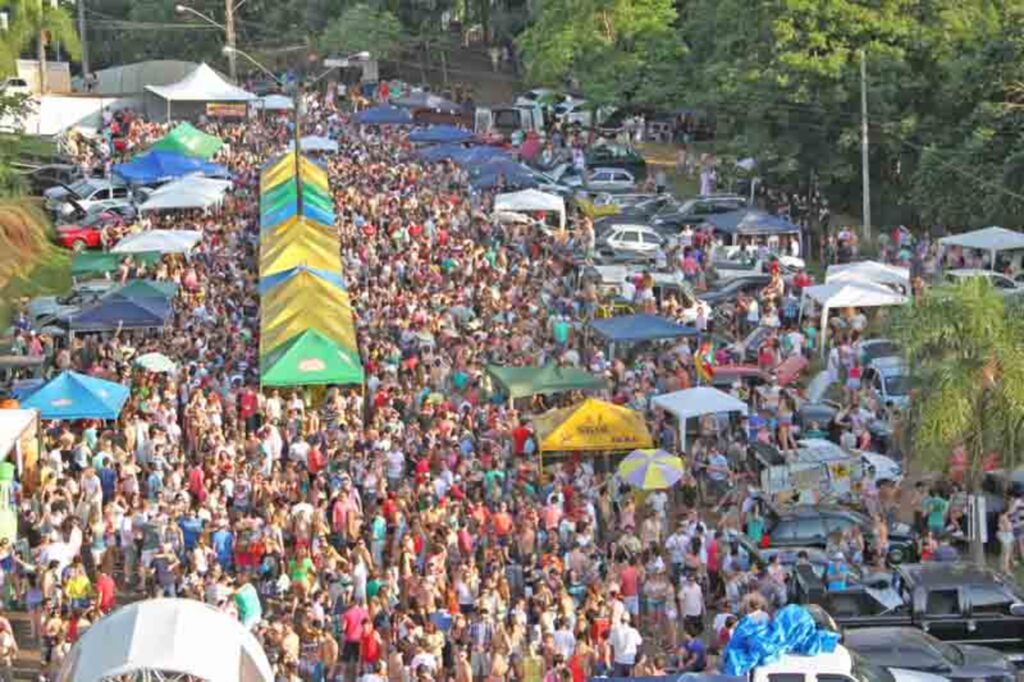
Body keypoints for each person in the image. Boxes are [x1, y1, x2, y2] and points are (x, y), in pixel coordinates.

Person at [608, 613, 642, 678]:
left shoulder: (615, 631)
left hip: (618, 661)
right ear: (629, 621)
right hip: (630, 661)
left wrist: (612, 660)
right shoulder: (633, 631)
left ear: (620, 620)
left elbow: (611, 647)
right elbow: (639, 644)